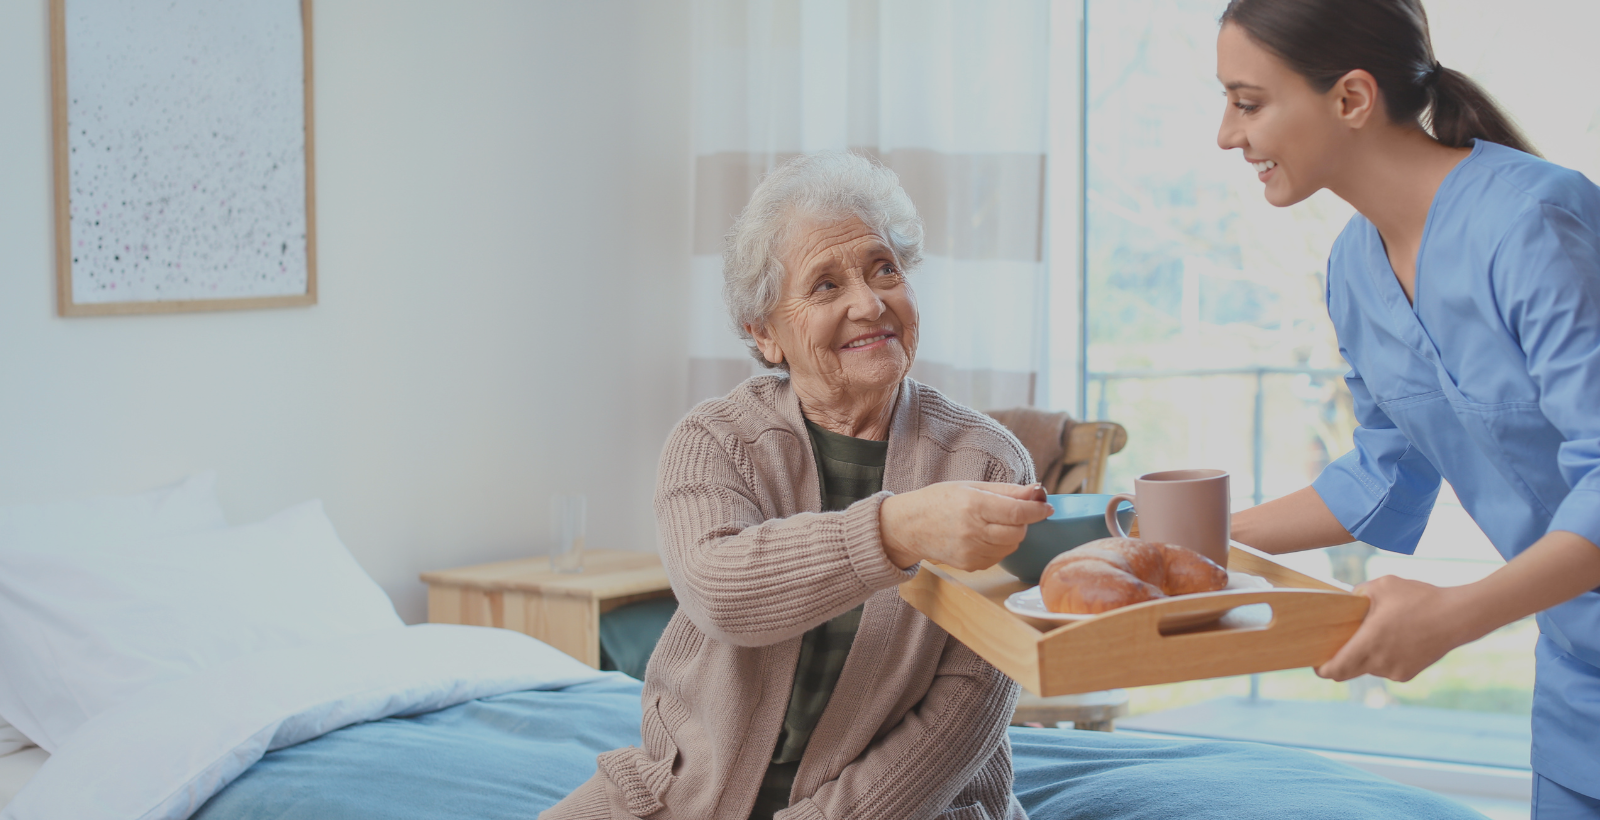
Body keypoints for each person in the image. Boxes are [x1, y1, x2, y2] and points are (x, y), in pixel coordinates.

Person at [541, 151, 1054, 820]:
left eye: (885, 270)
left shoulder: (986, 462)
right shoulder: (714, 442)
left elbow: (970, 702)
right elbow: (721, 590)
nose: (870, 304)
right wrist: (895, 530)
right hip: (689, 795)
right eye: (825, 286)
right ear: (764, 333)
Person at [1214, 0, 1600, 815]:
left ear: (1351, 98)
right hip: (1578, 677)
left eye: (1248, 103)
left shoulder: (1532, 219)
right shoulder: (1353, 267)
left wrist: (1456, 615)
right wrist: (1186, 539)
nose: (1227, 134)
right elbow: (1381, 479)